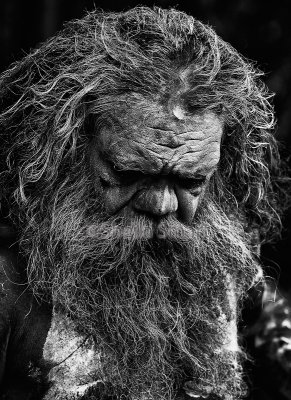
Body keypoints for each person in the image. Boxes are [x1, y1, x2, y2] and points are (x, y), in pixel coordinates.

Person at [0, 6, 288, 400]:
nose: (161, 204)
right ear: (61, 154)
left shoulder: (230, 268)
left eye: (190, 181)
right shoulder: (8, 285)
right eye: (128, 175)